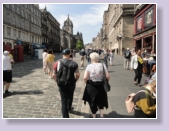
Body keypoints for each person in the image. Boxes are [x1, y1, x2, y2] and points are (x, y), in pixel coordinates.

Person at [53, 48, 80, 118]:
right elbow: (78, 74)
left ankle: (65, 117)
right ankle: (69, 108)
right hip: (71, 83)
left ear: (62, 54)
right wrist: (75, 80)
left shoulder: (57, 63)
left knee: (63, 101)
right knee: (70, 96)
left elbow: (53, 75)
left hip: (61, 84)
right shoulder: (74, 63)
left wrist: (57, 81)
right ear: (69, 54)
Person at [82, 52, 110, 118]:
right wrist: (106, 82)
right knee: (101, 100)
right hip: (101, 85)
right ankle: (101, 116)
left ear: (91, 59)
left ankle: (94, 116)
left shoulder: (89, 66)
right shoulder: (103, 65)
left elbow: (85, 77)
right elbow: (107, 76)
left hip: (91, 86)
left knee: (92, 101)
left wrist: (86, 82)